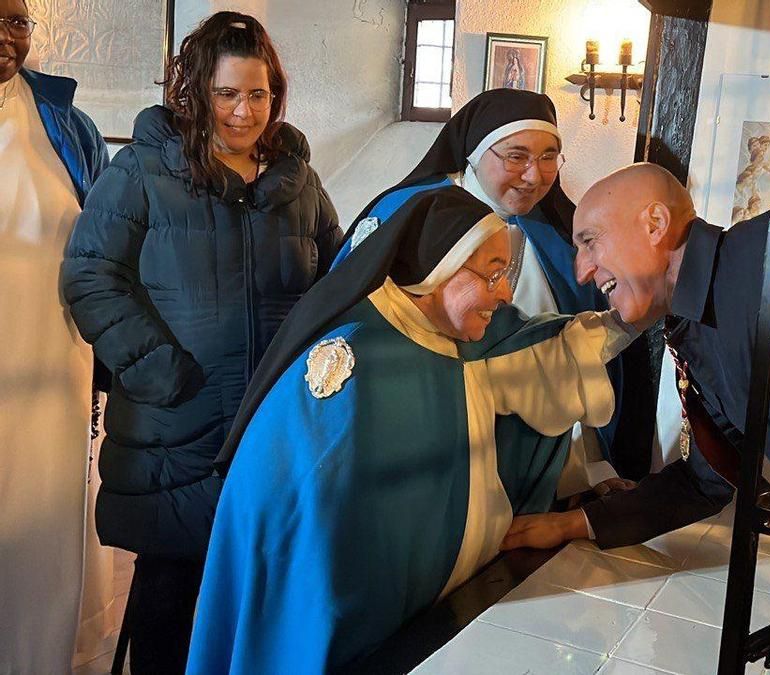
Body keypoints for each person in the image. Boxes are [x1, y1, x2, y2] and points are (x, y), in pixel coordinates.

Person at [186, 187, 638, 673]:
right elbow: (312, 535)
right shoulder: (358, 364)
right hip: (337, 628)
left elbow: (541, 362)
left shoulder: (445, 339)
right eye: (491, 275)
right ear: (439, 270)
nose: (506, 293)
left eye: (505, 275)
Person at [61, 12, 340, 673]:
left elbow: (336, 281)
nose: (244, 112)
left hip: (272, 431)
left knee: (258, 608)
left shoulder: (298, 184)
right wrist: (161, 374)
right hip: (174, 427)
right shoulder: (143, 172)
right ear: (195, 93)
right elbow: (90, 274)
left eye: (258, 94)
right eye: (227, 94)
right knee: (170, 605)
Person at [502, 163, 770, 552]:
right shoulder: (693, 331)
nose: (581, 270)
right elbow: (706, 479)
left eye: (589, 242)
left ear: (655, 223)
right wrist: (575, 523)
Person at [336, 87, 651, 494]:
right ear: (473, 153)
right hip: (431, 447)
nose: (534, 175)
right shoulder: (411, 216)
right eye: (516, 156)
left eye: (548, 157)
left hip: (538, 457)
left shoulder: (561, 232)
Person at [0, 0, 109, 671]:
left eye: (15, 20)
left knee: (40, 541)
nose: (5, 35)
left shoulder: (67, 126)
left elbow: (104, 252)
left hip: (50, 373)